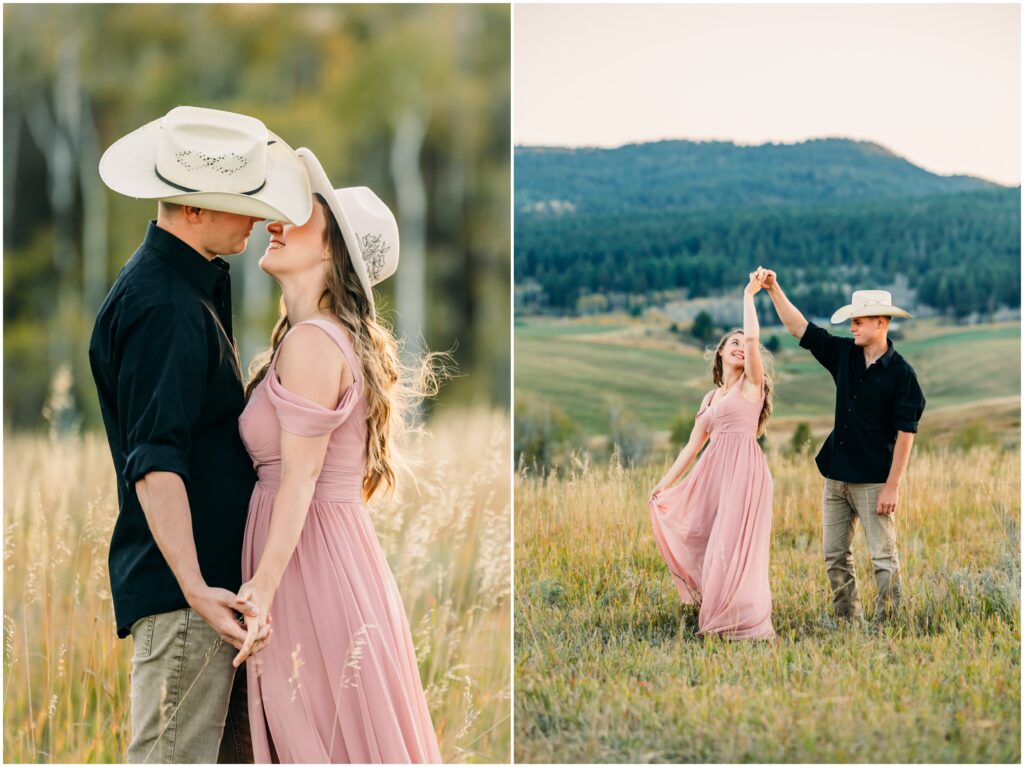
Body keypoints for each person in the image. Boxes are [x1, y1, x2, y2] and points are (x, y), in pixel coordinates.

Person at [89, 105, 311, 763]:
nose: (259, 216)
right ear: (192, 211)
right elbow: (155, 461)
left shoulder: (187, 290)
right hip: (190, 601)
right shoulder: (163, 305)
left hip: (212, 597)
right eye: (241, 202)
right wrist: (194, 586)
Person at [229, 147, 443, 763]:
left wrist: (261, 590)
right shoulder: (316, 338)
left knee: (316, 739)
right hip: (322, 556)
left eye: (299, 213)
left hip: (307, 568)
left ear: (331, 249)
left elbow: (300, 479)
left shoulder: (313, 342)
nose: (276, 220)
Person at [761, 270, 926, 622]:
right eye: (851, 322)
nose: (852, 328)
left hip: (874, 481)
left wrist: (892, 486)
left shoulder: (902, 375)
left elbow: (906, 434)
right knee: (835, 555)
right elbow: (800, 329)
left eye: (859, 322)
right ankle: (846, 621)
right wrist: (774, 288)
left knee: (882, 556)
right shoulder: (844, 356)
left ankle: (890, 624)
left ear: (881, 323)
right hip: (836, 475)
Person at [648, 268, 775, 640]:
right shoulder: (710, 399)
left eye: (741, 343)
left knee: (734, 549)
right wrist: (663, 484)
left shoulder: (753, 385)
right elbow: (692, 446)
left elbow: (753, 339)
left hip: (745, 473)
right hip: (714, 477)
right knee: (712, 543)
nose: (738, 345)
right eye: (731, 342)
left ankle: (739, 623)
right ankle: (720, 616)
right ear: (719, 353)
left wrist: (749, 297)